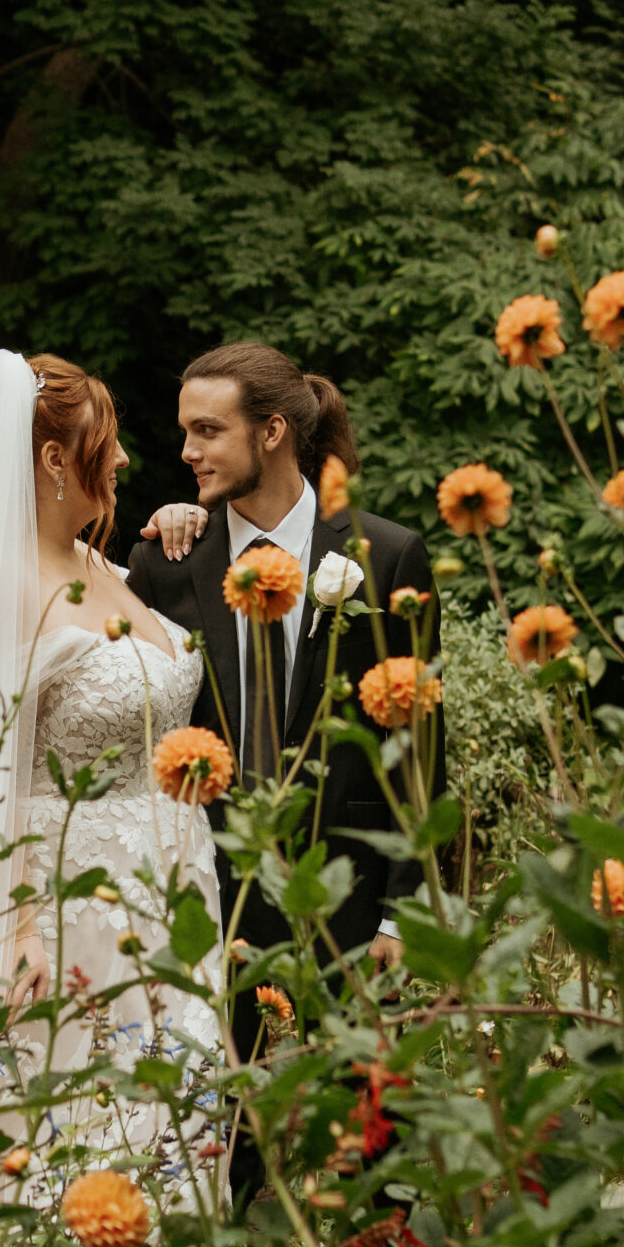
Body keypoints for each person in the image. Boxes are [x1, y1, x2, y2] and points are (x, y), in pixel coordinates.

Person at [0, 349, 223, 1147]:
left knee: (163, 1110)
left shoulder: (98, 563)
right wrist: (12, 933)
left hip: (167, 884)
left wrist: (182, 520)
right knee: (66, 1118)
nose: (119, 457)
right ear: (52, 457)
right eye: (104, 441)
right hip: (65, 905)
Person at [127, 341, 437, 1077]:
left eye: (207, 430)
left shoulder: (384, 555)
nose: (186, 450)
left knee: (370, 1124)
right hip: (213, 896)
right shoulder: (164, 564)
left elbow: (420, 745)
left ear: (271, 432)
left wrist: (404, 909)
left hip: (352, 892)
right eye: (185, 431)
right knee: (217, 1133)